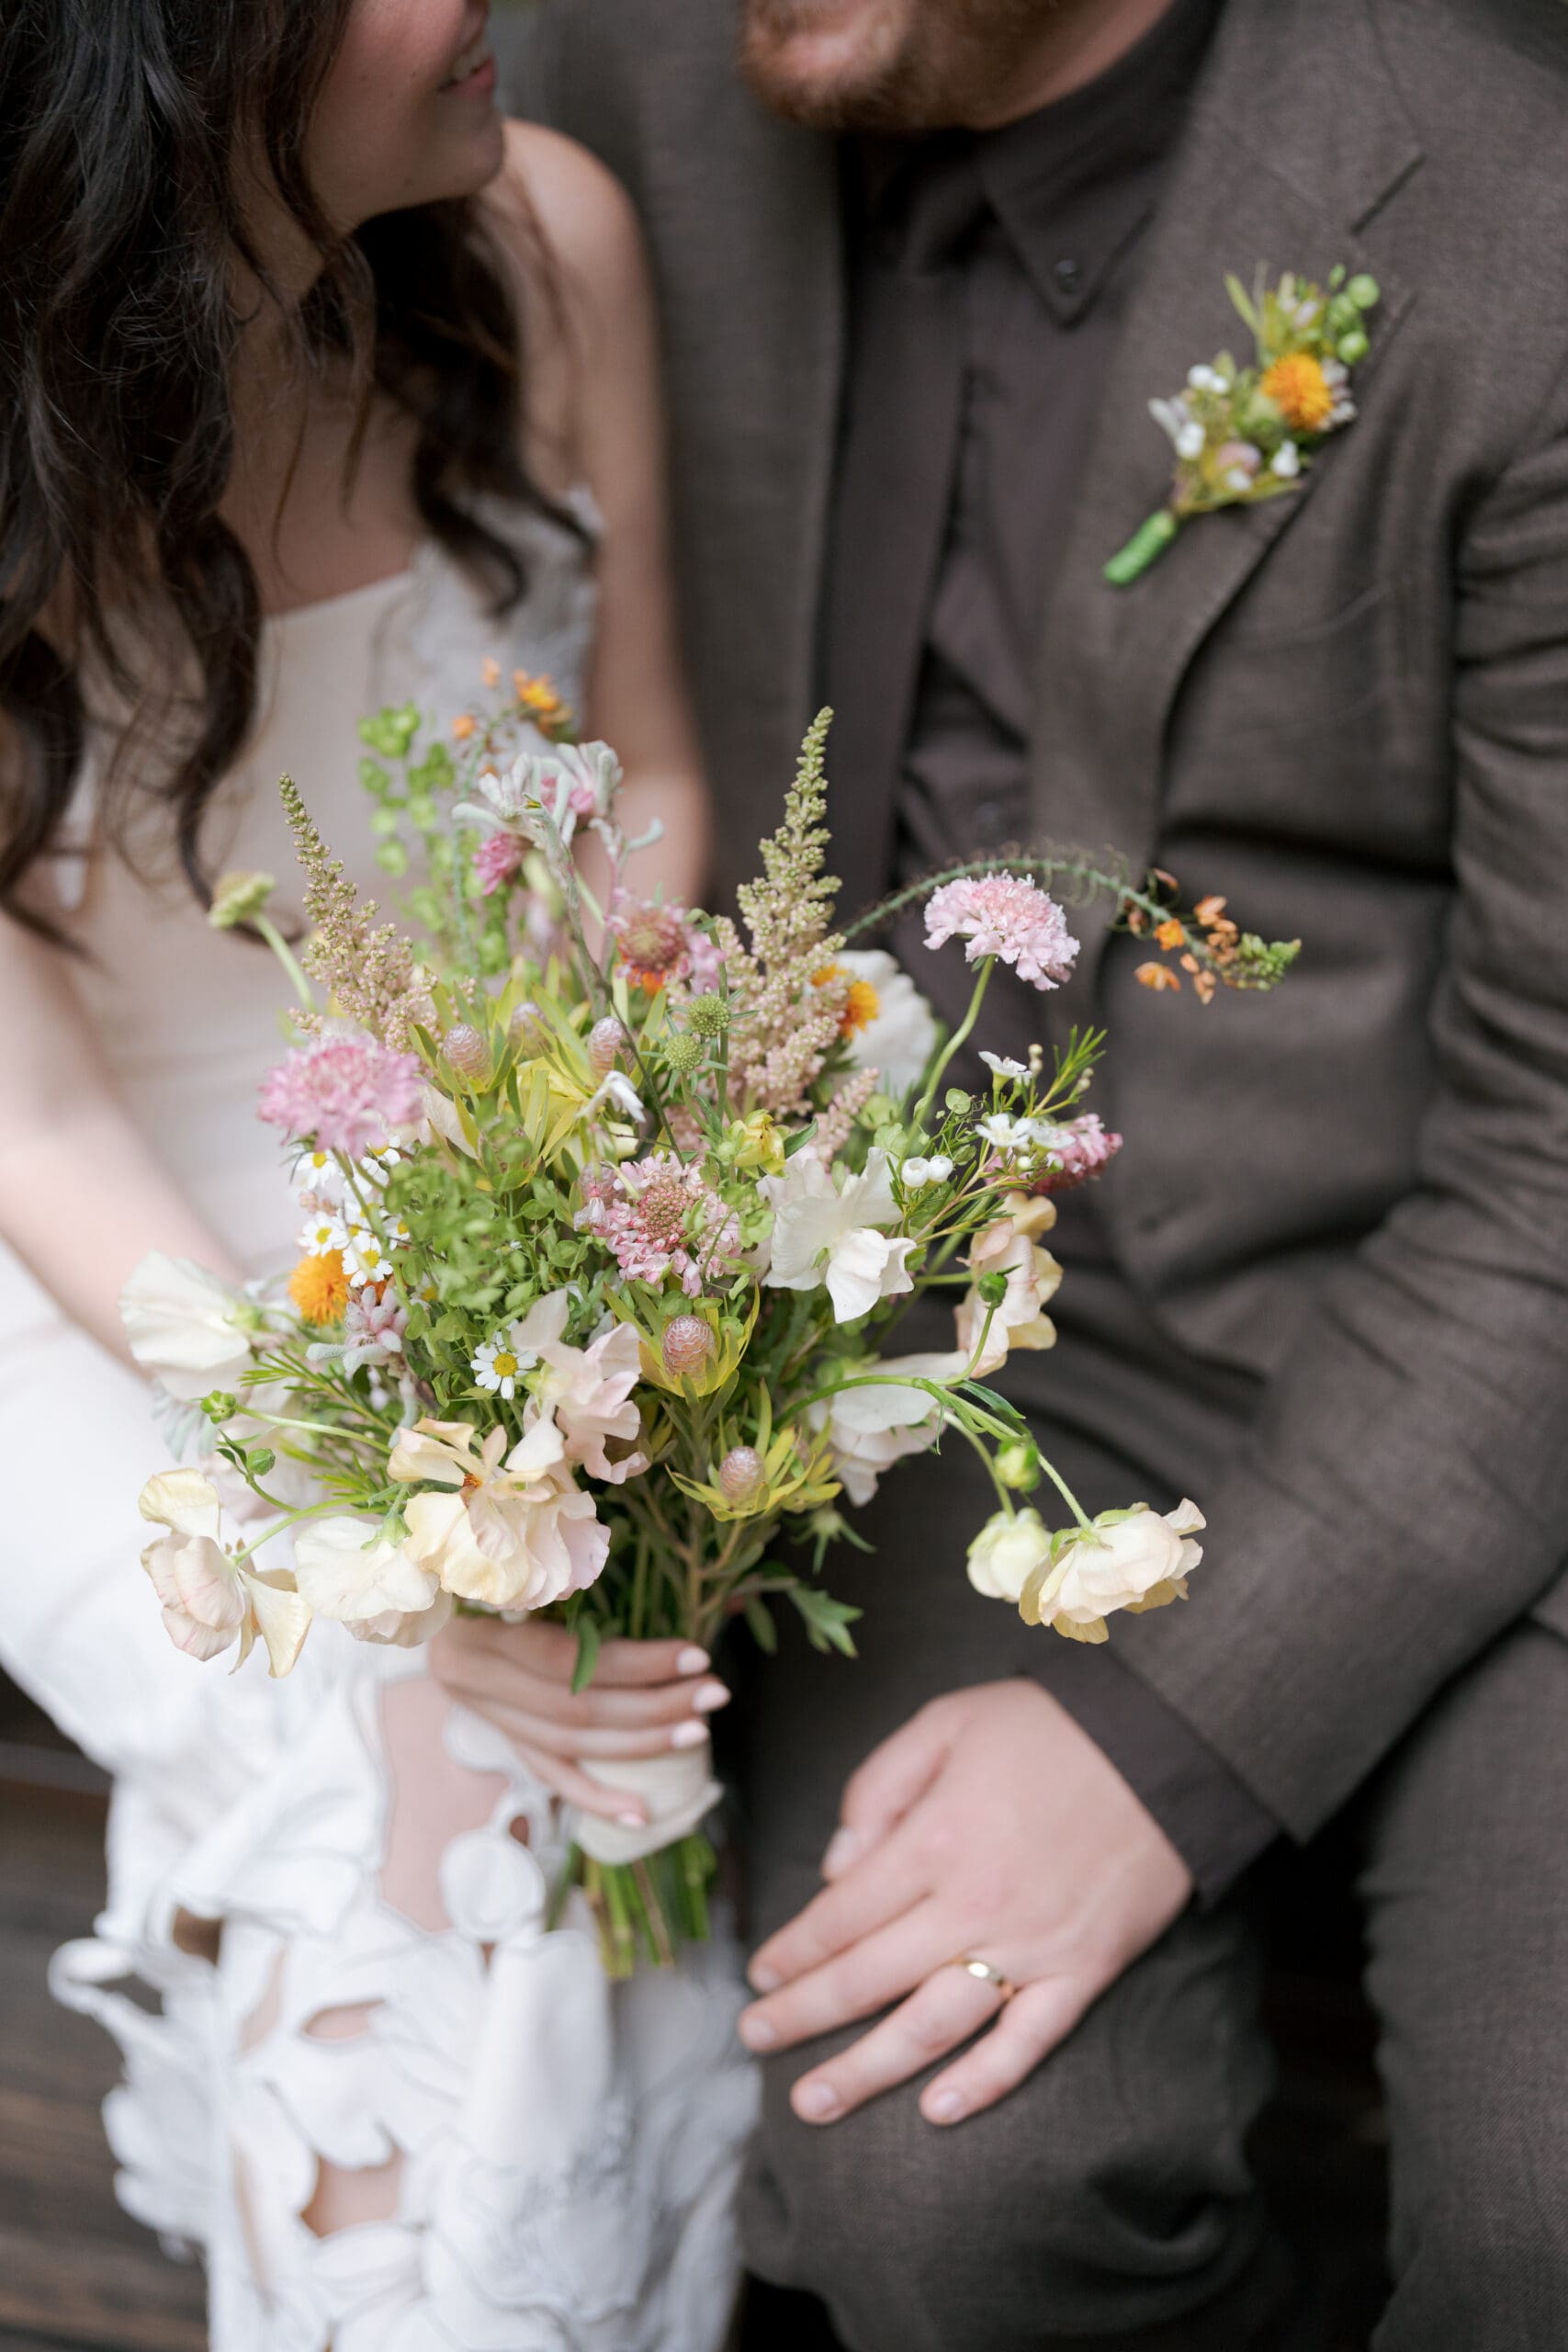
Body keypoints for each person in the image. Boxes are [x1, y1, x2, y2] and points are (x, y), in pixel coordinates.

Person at [508, 0, 1568, 2345]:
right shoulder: (611, 79)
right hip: (949, 1376)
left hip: (1465, 1325)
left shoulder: (1512, 219)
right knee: (946, 2198)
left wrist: (1173, 1744)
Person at [0, 4, 756, 2345]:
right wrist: (385, 1488)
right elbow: (34, 1121)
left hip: (490, 1189)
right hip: (107, 1281)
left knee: (586, 1729)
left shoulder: (544, 247)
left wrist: (599, 1246)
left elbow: (646, 778)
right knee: (423, 1782)